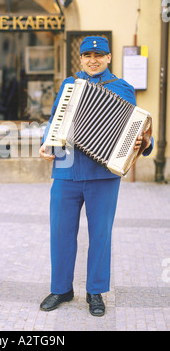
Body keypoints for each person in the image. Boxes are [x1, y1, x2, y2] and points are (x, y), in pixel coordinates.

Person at [39, 36, 153, 316]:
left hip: (104, 174)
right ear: (81, 58)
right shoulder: (69, 85)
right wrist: (46, 140)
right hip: (66, 169)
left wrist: (142, 143)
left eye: (99, 55)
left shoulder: (123, 88)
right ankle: (61, 289)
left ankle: (96, 292)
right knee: (61, 233)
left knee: (100, 234)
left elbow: (137, 129)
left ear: (108, 58)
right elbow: (55, 119)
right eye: (88, 55)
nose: (93, 60)